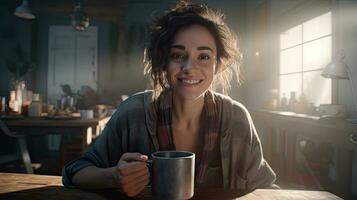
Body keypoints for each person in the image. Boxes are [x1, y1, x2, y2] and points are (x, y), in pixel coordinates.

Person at [62, 1, 276, 197]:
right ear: (163, 62)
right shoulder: (132, 113)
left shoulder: (236, 118)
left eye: (204, 57)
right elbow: (75, 172)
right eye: (178, 55)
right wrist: (113, 176)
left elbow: (266, 187)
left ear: (217, 64)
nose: (190, 68)